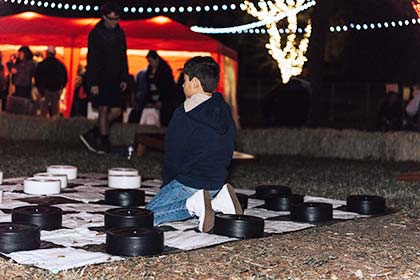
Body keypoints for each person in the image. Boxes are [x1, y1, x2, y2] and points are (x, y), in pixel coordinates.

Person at [145, 56, 242, 233]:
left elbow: (173, 155)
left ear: (195, 83)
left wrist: (168, 184)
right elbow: (229, 147)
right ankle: (219, 202)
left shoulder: (185, 113)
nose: (182, 85)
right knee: (188, 197)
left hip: (189, 182)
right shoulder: (224, 109)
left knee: (146, 216)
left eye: (184, 80)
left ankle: (193, 204)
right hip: (216, 181)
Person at [80, 1, 129, 154]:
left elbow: (123, 57)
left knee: (117, 111)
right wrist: (93, 82)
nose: (115, 22)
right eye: (112, 19)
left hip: (115, 77)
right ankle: (104, 143)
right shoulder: (96, 34)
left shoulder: (120, 33)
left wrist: (124, 77)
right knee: (103, 109)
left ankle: (93, 132)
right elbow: (92, 59)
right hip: (100, 77)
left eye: (117, 19)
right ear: (104, 17)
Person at [144, 50, 178, 126]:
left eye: (150, 61)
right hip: (153, 98)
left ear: (156, 59)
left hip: (165, 100)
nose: (150, 63)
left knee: (164, 120)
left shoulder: (165, 70)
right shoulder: (149, 70)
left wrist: (162, 101)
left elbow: (167, 89)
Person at [34, 46, 68, 118]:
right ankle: (55, 126)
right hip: (56, 90)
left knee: (43, 110)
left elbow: (37, 77)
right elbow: (65, 77)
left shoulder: (42, 64)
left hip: (45, 91)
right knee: (55, 110)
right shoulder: (60, 65)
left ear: (47, 53)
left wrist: (40, 89)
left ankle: (43, 126)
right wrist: (61, 88)